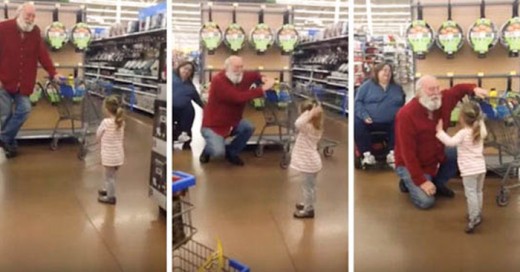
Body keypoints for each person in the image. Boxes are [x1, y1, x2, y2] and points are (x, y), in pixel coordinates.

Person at [394, 75, 488, 210]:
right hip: (411, 164)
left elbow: (458, 90)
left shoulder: (443, 100)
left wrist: (474, 89)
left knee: (457, 152)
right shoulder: (405, 115)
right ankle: (407, 181)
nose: (436, 93)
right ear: (419, 92)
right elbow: (407, 154)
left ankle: (437, 183)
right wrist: (421, 181)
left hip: (434, 156)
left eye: (437, 88)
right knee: (426, 202)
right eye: (431, 90)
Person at [0, 2, 62, 158]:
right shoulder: (3, 28)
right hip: (4, 81)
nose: (31, 18)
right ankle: (10, 145)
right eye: (28, 15)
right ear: (19, 13)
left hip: (25, 84)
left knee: (25, 109)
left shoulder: (35, 32)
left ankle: (4, 139)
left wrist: (53, 72)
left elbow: (43, 55)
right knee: (5, 114)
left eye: (33, 16)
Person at [199, 56, 274, 166]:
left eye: (241, 67)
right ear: (227, 67)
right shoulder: (218, 80)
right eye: (236, 67)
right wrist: (262, 89)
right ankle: (208, 150)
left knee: (248, 127)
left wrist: (262, 78)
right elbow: (237, 97)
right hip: (213, 124)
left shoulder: (242, 76)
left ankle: (232, 152)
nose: (239, 70)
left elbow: (254, 74)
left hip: (233, 121)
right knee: (218, 153)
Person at [436, 101, 487, 233]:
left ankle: (474, 217)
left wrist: (440, 131)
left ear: (462, 118)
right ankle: (477, 213)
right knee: (478, 192)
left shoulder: (464, 133)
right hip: (481, 168)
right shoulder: (480, 130)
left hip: (469, 171)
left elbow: (450, 143)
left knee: (471, 194)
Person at [354, 63, 405, 166]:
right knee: (356, 122)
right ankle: (366, 154)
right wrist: (364, 115)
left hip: (391, 121)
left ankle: (392, 153)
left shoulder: (397, 88)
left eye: (389, 71)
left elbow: (402, 103)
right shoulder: (366, 86)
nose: (387, 73)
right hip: (369, 121)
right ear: (377, 72)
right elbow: (358, 102)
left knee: (402, 123)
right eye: (384, 70)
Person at [291, 101, 324, 219]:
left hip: (309, 164)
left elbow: (298, 123)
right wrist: (312, 113)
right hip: (312, 163)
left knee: (307, 188)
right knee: (310, 186)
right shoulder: (316, 126)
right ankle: (307, 203)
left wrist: (310, 113)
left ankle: (309, 210)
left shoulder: (308, 127)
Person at [96, 96, 125, 205]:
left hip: (109, 154)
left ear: (107, 109)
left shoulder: (106, 122)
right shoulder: (121, 122)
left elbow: (98, 134)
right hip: (118, 154)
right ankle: (108, 189)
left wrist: (99, 140)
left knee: (109, 177)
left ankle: (111, 197)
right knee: (112, 175)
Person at [173, 61, 203, 149]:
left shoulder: (190, 86)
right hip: (172, 109)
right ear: (180, 68)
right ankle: (176, 136)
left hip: (185, 111)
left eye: (189, 70)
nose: (186, 71)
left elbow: (197, 99)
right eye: (185, 68)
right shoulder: (172, 77)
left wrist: (207, 108)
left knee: (189, 111)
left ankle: (186, 140)